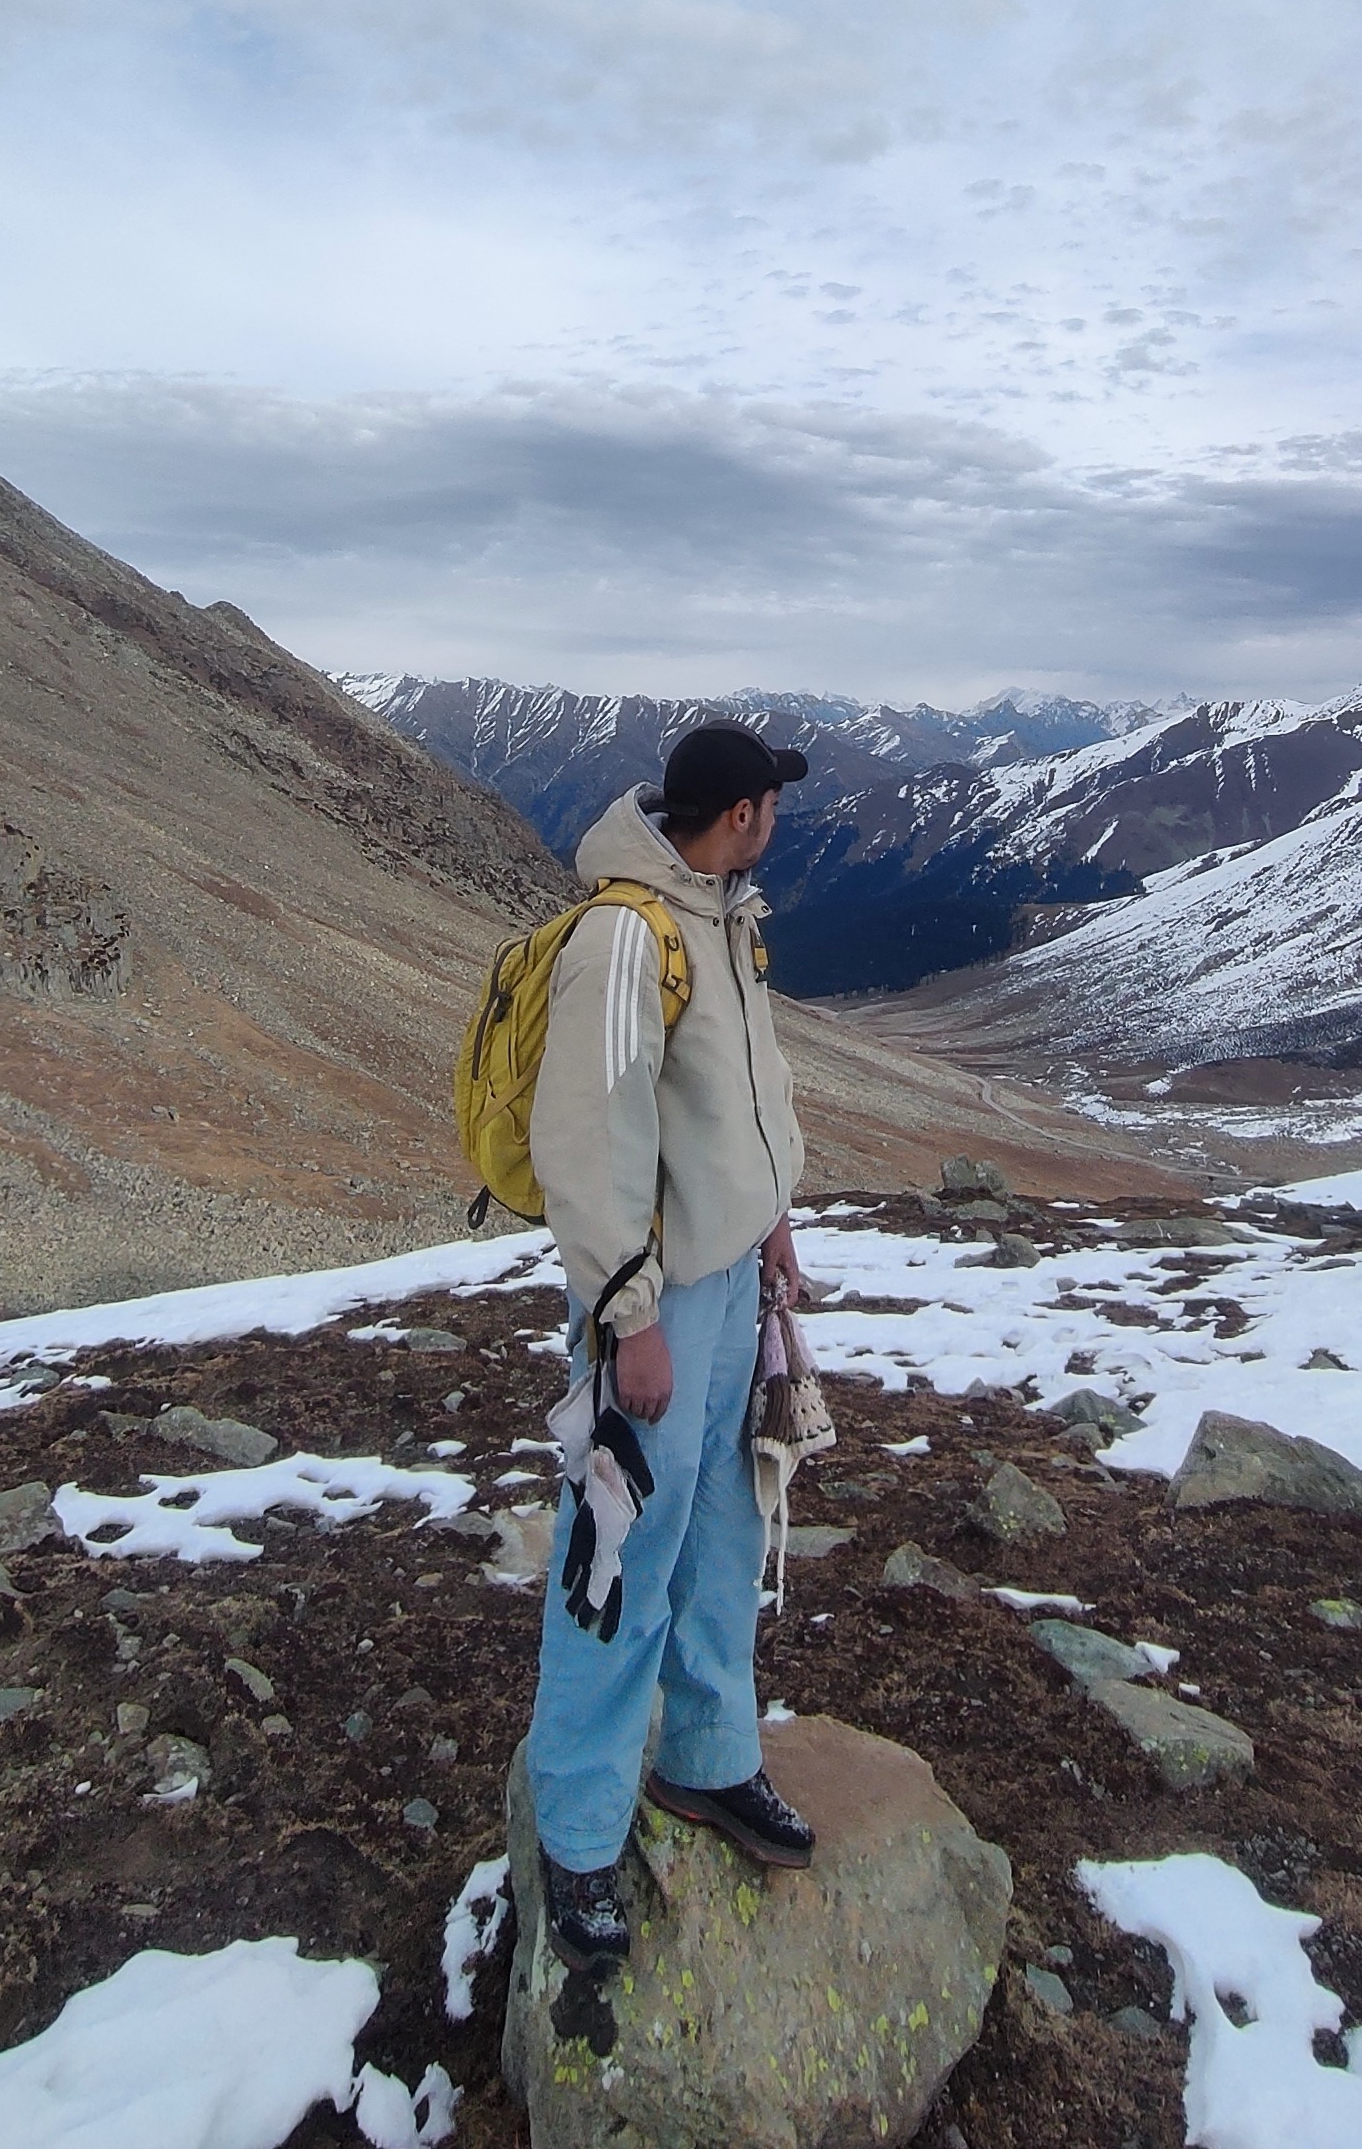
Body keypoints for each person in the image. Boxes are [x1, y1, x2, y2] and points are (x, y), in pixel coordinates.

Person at [521, 720, 814, 1971]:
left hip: (728, 1276)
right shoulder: (626, 939)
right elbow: (590, 1143)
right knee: (621, 1553)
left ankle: (707, 1760)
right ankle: (578, 1833)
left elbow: (735, 1105)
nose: (775, 823)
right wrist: (626, 1318)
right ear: (740, 812)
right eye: (771, 806)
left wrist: (771, 1225)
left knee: (720, 1535)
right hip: (658, 1306)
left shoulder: (722, 920)